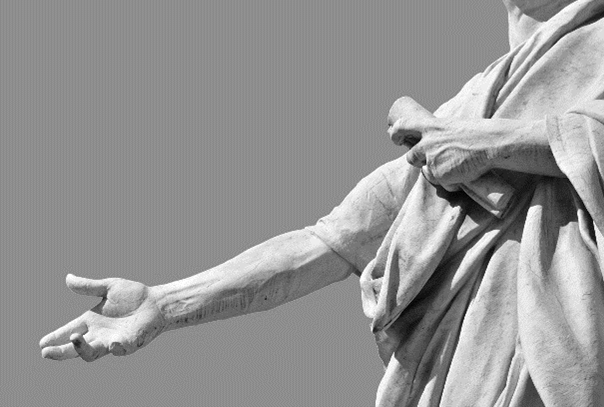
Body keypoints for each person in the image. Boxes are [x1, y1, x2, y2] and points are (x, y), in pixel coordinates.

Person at [40, 0, 604, 405]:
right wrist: (165, 304)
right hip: (460, 373)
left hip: (567, 351)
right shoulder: (464, 110)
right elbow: (326, 244)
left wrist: (488, 146)